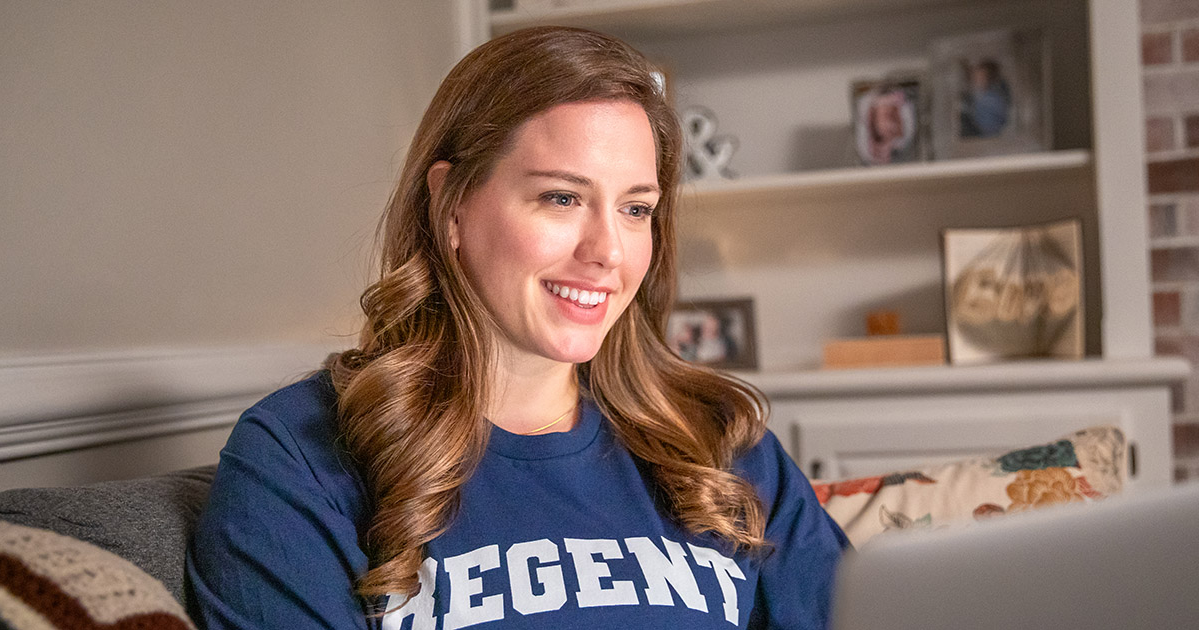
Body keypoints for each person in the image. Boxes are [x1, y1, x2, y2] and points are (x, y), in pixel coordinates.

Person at [186, 25, 849, 630]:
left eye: (636, 209)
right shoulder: (301, 456)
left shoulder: (720, 445)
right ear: (450, 205)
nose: (608, 252)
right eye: (562, 198)